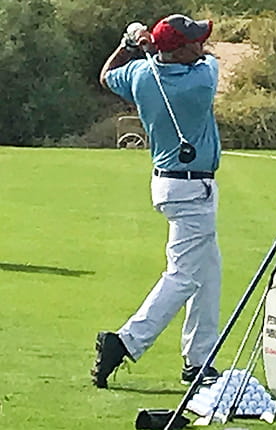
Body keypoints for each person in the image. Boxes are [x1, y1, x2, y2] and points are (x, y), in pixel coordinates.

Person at [91, 14, 223, 389]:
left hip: (170, 185)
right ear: (179, 50)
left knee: (208, 270)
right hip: (192, 190)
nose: (201, 44)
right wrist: (152, 47)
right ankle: (125, 342)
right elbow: (209, 58)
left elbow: (106, 75)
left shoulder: (140, 75)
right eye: (193, 40)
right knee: (182, 276)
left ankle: (199, 361)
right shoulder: (202, 79)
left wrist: (130, 43)